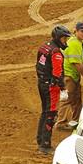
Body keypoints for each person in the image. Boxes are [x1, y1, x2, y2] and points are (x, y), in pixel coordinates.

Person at [35, 25, 70, 155]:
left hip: (41, 82)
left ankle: (40, 140)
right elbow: (57, 73)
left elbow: (37, 64)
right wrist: (63, 88)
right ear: (59, 38)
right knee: (51, 114)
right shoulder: (56, 52)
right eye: (64, 39)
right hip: (51, 86)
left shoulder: (44, 46)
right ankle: (45, 145)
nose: (65, 41)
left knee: (44, 112)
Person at [55, 21, 83, 130]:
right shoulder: (74, 43)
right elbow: (76, 63)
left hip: (73, 76)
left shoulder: (80, 43)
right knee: (67, 99)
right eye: (82, 31)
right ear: (76, 31)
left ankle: (75, 121)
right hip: (68, 76)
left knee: (76, 99)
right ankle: (61, 123)